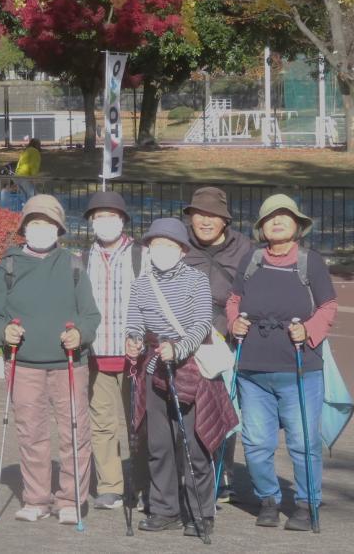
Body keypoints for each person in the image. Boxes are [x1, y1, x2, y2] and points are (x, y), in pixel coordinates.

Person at [0, 194, 101, 525]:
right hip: (24, 364)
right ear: (24, 228)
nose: (41, 229)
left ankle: (70, 499)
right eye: (35, 223)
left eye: (48, 224)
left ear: (59, 229)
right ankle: (35, 498)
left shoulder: (73, 264)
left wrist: (80, 333)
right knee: (30, 432)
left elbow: (90, 315)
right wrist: (3, 332)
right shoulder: (7, 266)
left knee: (74, 433)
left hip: (68, 363)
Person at [227, 194, 338, 532]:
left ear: (297, 225)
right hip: (252, 369)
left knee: (303, 444)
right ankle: (268, 500)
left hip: (300, 368)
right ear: (261, 227)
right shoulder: (252, 260)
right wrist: (234, 324)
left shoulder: (311, 262)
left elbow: (328, 306)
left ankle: (306, 503)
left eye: (284, 216)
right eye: (270, 217)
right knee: (256, 443)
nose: (277, 222)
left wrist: (308, 330)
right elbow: (234, 300)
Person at [125, 218, 236, 539]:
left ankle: (201, 512)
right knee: (159, 445)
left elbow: (202, 323)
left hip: (191, 370)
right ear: (148, 249)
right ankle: (164, 509)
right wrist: (132, 339)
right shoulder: (141, 283)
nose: (162, 251)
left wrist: (180, 347)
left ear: (182, 250)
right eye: (156, 245)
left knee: (195, 444)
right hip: (153, 369)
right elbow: (134, 320)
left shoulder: (196, 280)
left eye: (169, 246)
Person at [182, 186, 253, 501]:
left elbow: (253, 293)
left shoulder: (245, 249)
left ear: (225, 221)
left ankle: (222, 472)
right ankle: (190, 471)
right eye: (199, 215)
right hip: (185, 336)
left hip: (228, 337)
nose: (205, 221)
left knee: (225, 406)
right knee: (188, 406)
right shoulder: (179, 244)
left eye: (213, 216)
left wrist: (231, 327)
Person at [82, 190, 149, 511]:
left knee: (140, 423)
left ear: (123, 220)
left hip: (136, 355)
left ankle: (142, 483)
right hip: (96, 355)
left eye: (111, 216)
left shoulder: (143, 256)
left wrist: (144, 338)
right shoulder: (81, 259)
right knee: (102, 423)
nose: (105, 223)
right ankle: (110, 485)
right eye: (99, 217)